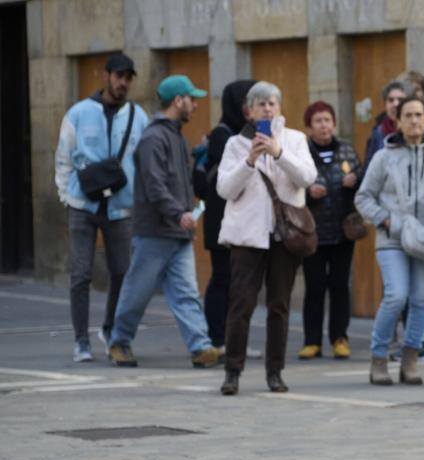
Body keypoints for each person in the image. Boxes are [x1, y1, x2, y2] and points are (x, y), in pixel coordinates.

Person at [108, 75, 223, 369]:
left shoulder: (177, 138)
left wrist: (188, 210)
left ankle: (200, 347)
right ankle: (119, 342)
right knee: (137, 291)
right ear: (178, 101)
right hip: (155, 232)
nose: (195, 105)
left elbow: (176, 184)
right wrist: (179, 213)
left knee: (187, 294)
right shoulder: (153, 139)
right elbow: (154, 184)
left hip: (177, 232)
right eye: (191, 99)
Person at [216, 81, 317, 395]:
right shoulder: (235, 144)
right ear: (249, 110)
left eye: (272, 103)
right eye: (261, 104)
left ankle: (275, 372)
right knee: (241, 305)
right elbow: (224, 189)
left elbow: (308, 177)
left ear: (279, 108)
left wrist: (279, 154)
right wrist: (249, 161)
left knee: (279, 306)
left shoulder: (295, 140)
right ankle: (232, 371)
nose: (267, 109)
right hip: (247, 237)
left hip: (284, 237)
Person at [54, 53, 149, 363]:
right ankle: (81, 340)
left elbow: (144, 161)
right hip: (83, 204)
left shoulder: (138, 116)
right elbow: (64, 157)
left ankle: (110, 330)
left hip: (121, 208)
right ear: (106, 76)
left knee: (122, 272)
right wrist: (66, 195)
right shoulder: (79, 113)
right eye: (119, 76)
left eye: (128, 78)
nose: (123, 83)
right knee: (81, 274)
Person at [355, 96, 424, 386]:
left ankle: (410, 360)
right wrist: (385, 220)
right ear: (398, 121)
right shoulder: (383, 157)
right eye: (408, 115)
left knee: (421, 300)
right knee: (396, 295)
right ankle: (378, 357)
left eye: (419, 115)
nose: (414, 120)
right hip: (392, 238)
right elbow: (363, 197)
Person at [192, 79, 257, 354]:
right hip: (221, 222)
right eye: (248, 102)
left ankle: (234, 340)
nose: (252, 107)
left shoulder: (249, 132)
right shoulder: (223, 136)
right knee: (222, 279)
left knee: (240, 284)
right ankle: (217, 339)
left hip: (242, 219)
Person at [299, 101, 362, 360]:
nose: (324, 125)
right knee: (314, 287)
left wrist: (354, 181)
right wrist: (308, 194)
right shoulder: (302, 151)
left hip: (342, 231)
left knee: (340, 286)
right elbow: (291, 185)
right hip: (312, 232)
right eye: (318, 121)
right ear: (309, 127)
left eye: (327, 120)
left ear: (334, 124)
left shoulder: (346, 149)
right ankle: (312, 341)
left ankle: (340, 338)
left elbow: (361, 176)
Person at [364, 80, 424, 167]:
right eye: (391, 100)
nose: (395, 104)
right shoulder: (379, 132)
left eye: (400, 99)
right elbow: (369, 165)